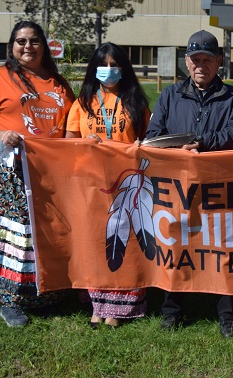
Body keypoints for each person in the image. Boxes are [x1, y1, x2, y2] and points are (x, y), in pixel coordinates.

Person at [0, 21, 75, 327]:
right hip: (7, 171)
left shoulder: (58, 83)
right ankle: (11, 300)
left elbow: (73, 127)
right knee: (15, 234)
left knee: (49, 231)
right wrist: (0, 134)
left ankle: (50, 293)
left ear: (44, 46)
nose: (27, 46)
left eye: (34, 41)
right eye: (21, 41)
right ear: (11, 46)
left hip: (49, 171)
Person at [145, 29, 233, 337]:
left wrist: (201, 143)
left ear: (218, 62)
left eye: (206, 60)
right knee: (177, 246)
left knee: (221, 250)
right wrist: (179, 150)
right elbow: (153, 137)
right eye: (194, 60)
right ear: (186, 63)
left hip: (218, 184)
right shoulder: (170, 95)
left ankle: (227, 316)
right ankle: (172, 310)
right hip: (178, 187)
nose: (200, 66)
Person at [65, 42, 150, 329]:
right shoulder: (81, 103)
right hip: (91, 184)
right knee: (97, 242)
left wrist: (141, 146)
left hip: (126, 182)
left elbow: (149, 141)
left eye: (116, 65)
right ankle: (97, 305)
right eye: (104, 65)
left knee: (123, 241)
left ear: (124, 69)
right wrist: (82, 143)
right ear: (94, 69)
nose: (110, 70)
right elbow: (67, 143)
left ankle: (119, 307)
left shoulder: (136, 103)